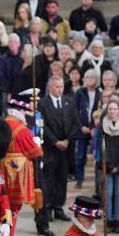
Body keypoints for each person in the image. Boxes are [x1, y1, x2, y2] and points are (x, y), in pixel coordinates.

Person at [2, 95, 43, 236]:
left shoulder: (3, 125)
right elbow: (35, 152)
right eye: (24, 111)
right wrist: (37, 142)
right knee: (14, 208)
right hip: (18, 172)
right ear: (19, 110)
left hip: (2, 168)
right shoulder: (21, 130)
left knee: (5, 206)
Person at [38, 75, 80, 222]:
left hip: (66, 149)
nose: (60, 89)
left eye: (61, 86)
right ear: (50, 87)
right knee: (49, 179)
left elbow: (76, 124)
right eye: (57, 87)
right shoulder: (42, 104)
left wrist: (68, 140)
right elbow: (42, 126)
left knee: (62, 179)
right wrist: (55, 142)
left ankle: (58, 207)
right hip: (50, 148)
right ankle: (47, 208)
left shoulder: (70, 102)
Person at [95, 100, 119, 233]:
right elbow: (100, 145)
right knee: (108, 193)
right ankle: (108, 220)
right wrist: (109, 165)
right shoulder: (102, 126)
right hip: (107, 165)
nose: (112, 111)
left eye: (115, 109)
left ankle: (116, 221)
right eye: (110, 109)